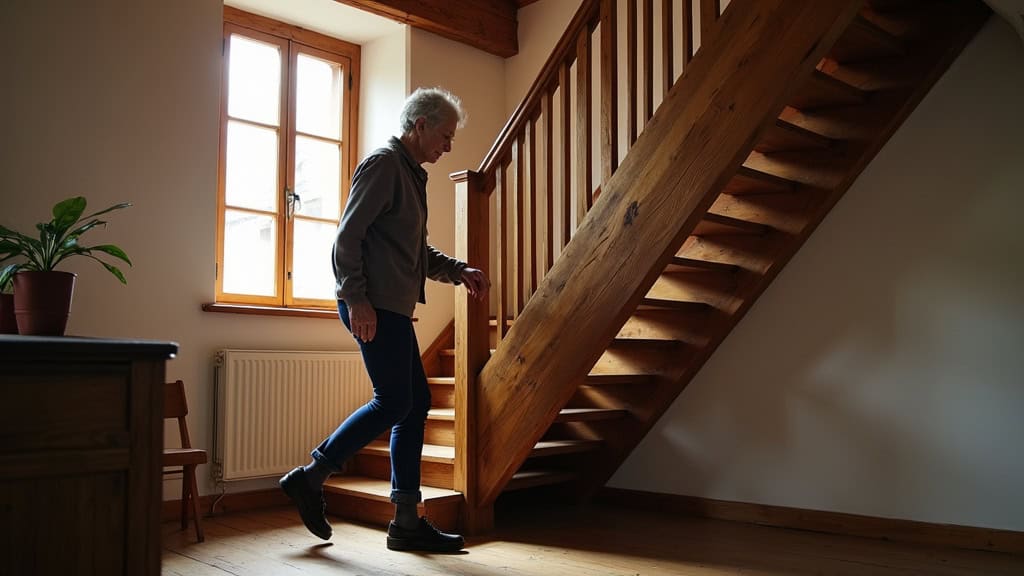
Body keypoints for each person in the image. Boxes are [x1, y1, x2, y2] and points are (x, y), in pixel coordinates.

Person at [280, 87, 488, 553]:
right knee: (395, 402)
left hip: (389, 306)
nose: (449, 146)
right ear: (420, 125)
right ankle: (312, 476)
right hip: (371, 304)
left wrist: (458, 270)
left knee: (413, 404)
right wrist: (356, 300)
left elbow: (414, 252)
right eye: (445, 135)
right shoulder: (384, 165)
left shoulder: (411, 175)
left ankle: (405, 519)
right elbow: (346, 239)